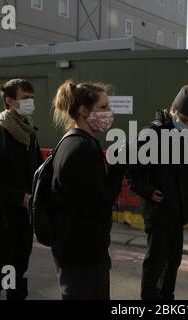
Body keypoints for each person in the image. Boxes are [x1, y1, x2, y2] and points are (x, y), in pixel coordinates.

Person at [50, 80, 126, 300]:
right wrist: (118, 168)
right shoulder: (79, 148)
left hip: (83, 252)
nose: (109, 113)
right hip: (81, 256)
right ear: (83, 111)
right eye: (103, 107)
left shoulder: (80, 143)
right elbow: (99, 202)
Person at [126, 85, 188, 300]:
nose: (186, 125)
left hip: (178, 213)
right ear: (173, 110)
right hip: (159, 213)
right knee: (156, 263)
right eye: (184, 120)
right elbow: (132, 174)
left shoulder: (185, 135)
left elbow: (187, 174)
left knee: (173, 262)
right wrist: (149, 192)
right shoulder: (151, 133)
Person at [0, 79, 43, 300]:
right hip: (0, 221)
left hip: (23, 221)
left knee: (15, 274)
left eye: (32, 97)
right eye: (25, 98)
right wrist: (19, 198)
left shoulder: (29, 134)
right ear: (9, 101)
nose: (30, 102)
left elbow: (37, 172)